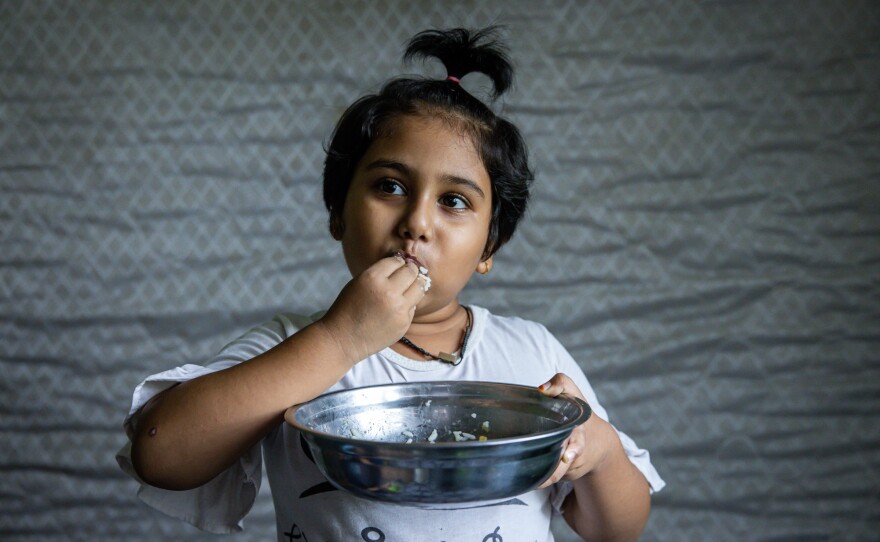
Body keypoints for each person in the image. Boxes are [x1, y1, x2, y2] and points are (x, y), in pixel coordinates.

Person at [117, 27, 664, 541]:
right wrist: (339, 341)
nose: (417, 223)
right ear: (339, 214)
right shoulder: (293, 346)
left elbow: (617, 529)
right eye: (390, 186)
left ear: (489, 248)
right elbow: (161, 453)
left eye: (454, 201)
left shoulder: (531, 354)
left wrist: (598, 451)